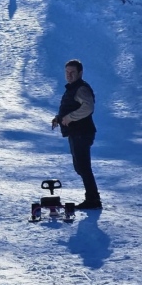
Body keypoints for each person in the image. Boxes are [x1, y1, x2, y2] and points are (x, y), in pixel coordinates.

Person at [51, 59, 101, 210]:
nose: (69, 75)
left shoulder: (81, 88)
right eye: (67, 72)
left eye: (72, 72)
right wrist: (59, 118)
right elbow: (71, 107)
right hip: (77, 132)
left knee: (83, 167)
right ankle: (92, 198)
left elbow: (88, 107)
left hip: (82, 132)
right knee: (80, 167)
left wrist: (69, 117)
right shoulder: (72, 88)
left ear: (80, 73)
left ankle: (93, 200)